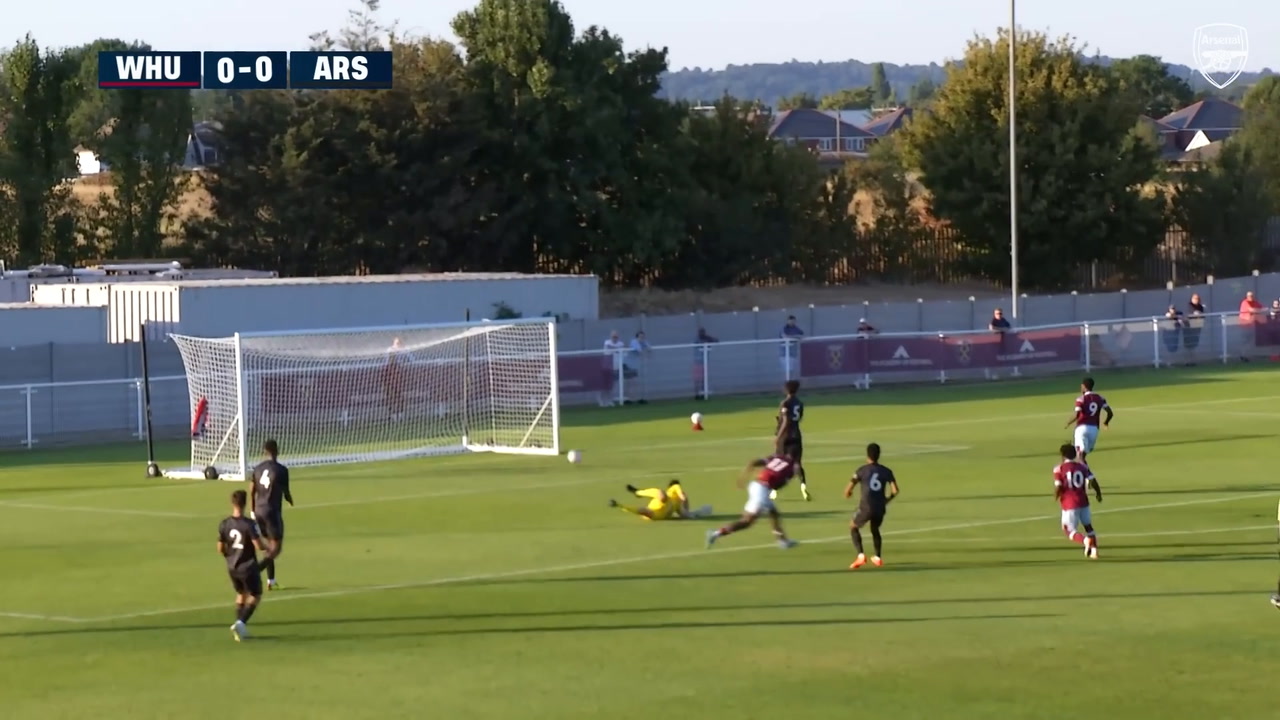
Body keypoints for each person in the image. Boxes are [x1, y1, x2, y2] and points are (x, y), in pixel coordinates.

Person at [705, 452, 798, 550]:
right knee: (747, 521)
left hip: (756, 485)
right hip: (762, 490)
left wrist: (743, 476)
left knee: (773, 512)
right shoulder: (792, 468)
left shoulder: (777, 457)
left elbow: (753, 462)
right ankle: (715, 534)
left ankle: (782, 541)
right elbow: (780, 485)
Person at [218, 489, 272, 641]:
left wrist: (230, 556)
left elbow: (220, 548)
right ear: (245, 503)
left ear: (232, 503)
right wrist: (268, 548)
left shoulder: (224, 524)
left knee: (241, 594)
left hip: (232, 567)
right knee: (256, 595)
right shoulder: (249, 524)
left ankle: (239, 627)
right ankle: (241, 623)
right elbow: (258, 545)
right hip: (247, 566)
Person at [844, 443, 898, 569]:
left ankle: (861, 556)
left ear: (867, 455)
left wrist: (848, 492)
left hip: (866, 506)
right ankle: (878, 557)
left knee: (853, 526)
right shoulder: (886, 471)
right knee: (875, 529)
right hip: (880, 507)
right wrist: (887, 500)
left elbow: (848, 488)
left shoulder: (862, 470)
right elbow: (895, 490)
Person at [249, 439, 293, 591]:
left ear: (264, 451)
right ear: (277, 451)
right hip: (272, 511)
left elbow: (252, 490)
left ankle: (271, 581)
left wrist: (252, 510)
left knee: (268, 548)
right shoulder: (281, 470)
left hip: (259, 511)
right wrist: (290, 500)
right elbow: (286, 491)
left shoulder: (257, 468)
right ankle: (255, 572)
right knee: (276, 548)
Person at [1053, 444, 1102, 559]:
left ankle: (1085, 541)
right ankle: (1094, 551)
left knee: (1068, 530)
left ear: (1062, 455)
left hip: (1069, 503)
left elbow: (1059, 486)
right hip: (1083, 501)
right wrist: (1098, 493)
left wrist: (1056, 496)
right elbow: (1092, 480)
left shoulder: (1059, 469)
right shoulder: (1082, 466)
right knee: (1088, 526)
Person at [771, 379, 810, 501]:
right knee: (797, 463)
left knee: (778, 462)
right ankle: (803, 486)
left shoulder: (785, 403)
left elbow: (786, 421)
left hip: (785, 437)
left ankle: (774, 490)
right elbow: (797, 419)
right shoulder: (800, 403)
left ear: (786, 389)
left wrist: (778, 437)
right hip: (796, 435)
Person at [1065, 376, 1112, 465]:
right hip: (1094, 429)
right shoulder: (1100, 398)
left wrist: (1068, 422)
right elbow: (1110, 413)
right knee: (1083, 455)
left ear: (1084, 386)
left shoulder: (1081, 399)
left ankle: (1086, 475)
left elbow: (1077, 415)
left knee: (1079, 456)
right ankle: (1086, 475)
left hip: (1081, 428)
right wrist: (1106, 423)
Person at [609, 480, 710, 520]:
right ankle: (638, 492)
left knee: (685, 513)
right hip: (660, 509)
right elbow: (676, 486)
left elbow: (676, 487)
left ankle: (637, 493)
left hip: (663, 512)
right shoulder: (671, 494)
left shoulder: (674, 500)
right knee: (661, 495)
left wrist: (687, 512)